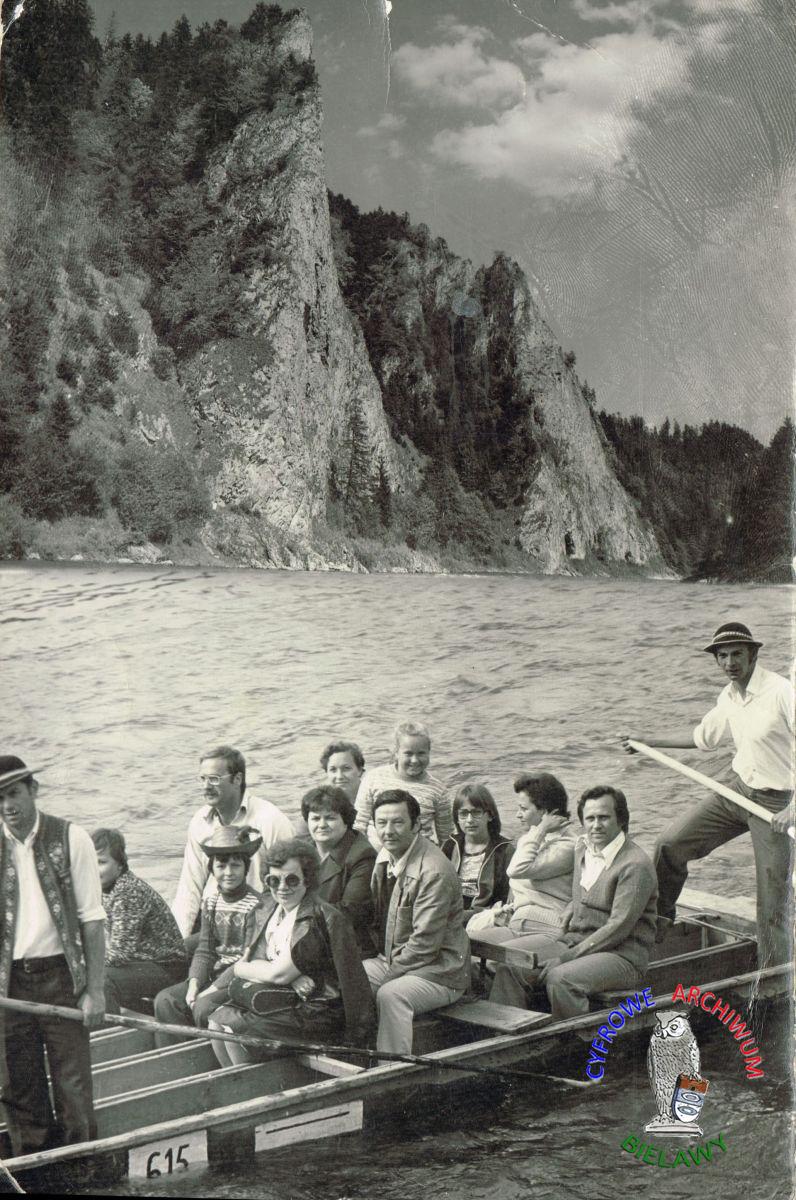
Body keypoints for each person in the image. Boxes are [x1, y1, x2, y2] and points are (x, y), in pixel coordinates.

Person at [622, 621, 793, 967]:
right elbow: (703, 738)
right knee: (670, 844)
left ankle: (773, 975)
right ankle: (659, 925)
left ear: (753, 654)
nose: (730, 662)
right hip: (738, 792)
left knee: (771, 899)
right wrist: (646, 741)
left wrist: (793, 808)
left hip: (779, 804)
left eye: (737, 654)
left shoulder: (782, 692)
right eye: (722, 656)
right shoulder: (729, 696)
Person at [0, 756, 106, 1155]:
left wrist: (95, 990)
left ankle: (84, 1167)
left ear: (33, 790)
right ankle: (37, 1170)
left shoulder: (70, 838)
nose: (7, 806)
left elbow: (92, 920)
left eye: (13, 794)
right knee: (19, 1087)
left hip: (61, 976)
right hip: (8, 984)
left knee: (73, 1087)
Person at [489, 786, 657, 1020]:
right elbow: (585, 891)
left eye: (604, 817)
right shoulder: (582, 848)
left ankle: (574, 1040)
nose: (596, 825)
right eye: (590, 818)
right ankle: (507, 1033)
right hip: (577, 941)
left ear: (621, 820)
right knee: (511, 968)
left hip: (622, 955)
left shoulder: (635, 865)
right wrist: (572, 905)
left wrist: (566, 958)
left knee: (561, 979)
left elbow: (618, 928)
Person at [207, 838, 374, 1064]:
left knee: (233, 1031)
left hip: (319, 1010)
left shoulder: (316, 918)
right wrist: (288, 977)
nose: (282, 888)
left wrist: (240, 968)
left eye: (292, 880)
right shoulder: (269, 910)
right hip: (285, 998)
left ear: (308, 879)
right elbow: (265, 962)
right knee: (215, 1023)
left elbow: (276, 973)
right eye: (274, 880)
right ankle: (234, 1079)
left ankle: (246, 1081)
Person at [363, 790, 470, 1056]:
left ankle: (393, 1067)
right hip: (397, 961)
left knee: (391, 995)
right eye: (381, 823)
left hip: (441, 972)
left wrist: (388, 975)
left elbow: (424, 944)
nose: (388, 831)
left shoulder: (433, 871)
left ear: (416, 825)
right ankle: (358, 1052)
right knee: (349, 977)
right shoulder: (385, 858)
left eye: (398, 822)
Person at [171, 745, 294, 940]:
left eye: (214, 779)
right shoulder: (199, 821)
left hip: (256, 920)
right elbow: (190, 886)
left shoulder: (270, 819)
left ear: (237, 779)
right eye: (202, 779)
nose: (206, 786)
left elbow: (291, 882)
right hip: (212, 918)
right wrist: (177, 941)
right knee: (175, 953)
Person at [155, 827, 262, 1046]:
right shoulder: (211, 903)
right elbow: (205, 950)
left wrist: (210, 991)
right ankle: (182, 1055)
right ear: (212, 869)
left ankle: (210, 1054)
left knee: (204, 1007)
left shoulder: (257, 905)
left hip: (240, 979)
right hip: (215, 974)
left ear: (246, 867)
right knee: (166, 1000)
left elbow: (246, 960)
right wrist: (194, 984)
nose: (228, 872)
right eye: (221, 866)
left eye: (236, 865)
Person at [92, 828, 186, 1015]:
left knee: (101, 979)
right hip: (143, 963)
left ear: (120, 864)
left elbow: (120, 953)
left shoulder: (127, 891)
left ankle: (108, 1029)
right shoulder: (105, 887)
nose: (94, 869)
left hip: (166, 966)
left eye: (101, 862)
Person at [474, 773, 575, 943]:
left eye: (524, 809)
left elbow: (516, 870)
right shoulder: (531, 838)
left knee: (499, 957)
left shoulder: (568, 845)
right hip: (518, 922)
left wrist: (541, 829)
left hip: (547, 927)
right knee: (463, 945)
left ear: (546, 812)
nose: (518, 815)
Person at [301, 784, 376, 954]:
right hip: (308, 935)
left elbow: (348, 912)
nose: (322, 825)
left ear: (346, 820)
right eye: (315, 818)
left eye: (330, 818)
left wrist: (293, 912)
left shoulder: (363, 855)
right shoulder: (302, 849)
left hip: (347, 947)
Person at [354, 721, 452, 848]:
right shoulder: (373, 778)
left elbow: (446, 838)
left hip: (418, 854)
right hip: (375, 853)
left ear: (429, 752)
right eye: (408, 753)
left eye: (421, 753)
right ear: (396, 752)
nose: (415, 760)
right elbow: (359, 824)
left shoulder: (438, 791)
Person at [440, 784, 514, 916]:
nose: (469, 820)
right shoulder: (450, 846)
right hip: (450, 912)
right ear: (457, 818)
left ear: (490, 815)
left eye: (476, 813)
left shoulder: (504, 850)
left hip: (487, 915)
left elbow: (506, 898)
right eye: (463, 814)